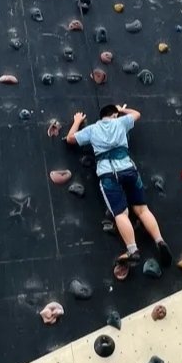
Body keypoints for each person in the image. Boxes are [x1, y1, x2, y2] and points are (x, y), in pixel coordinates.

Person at [67, 102, 172, 269]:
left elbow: (70, 139)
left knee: (121, 213)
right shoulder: (121, 122)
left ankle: (132, 250)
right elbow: (137, 113)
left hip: (109, 174)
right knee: (142, 209)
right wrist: (122, 110)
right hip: (129, 170)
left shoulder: (92, 129)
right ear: (114, 115)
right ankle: (159, 240)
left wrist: (77, 121)